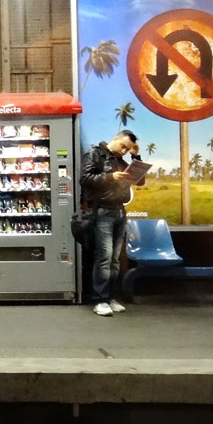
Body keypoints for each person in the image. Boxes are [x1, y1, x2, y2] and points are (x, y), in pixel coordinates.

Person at [79, 129, 144, 317]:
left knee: (115, 260)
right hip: (102, 211)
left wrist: (136, 157)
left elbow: (139, 181)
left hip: (119, 211)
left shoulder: (122, 161)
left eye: (127, 149)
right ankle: (99, 300)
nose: (124, 151)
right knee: (104, 257)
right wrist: (110, 177)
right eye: (123, 146)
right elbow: (84, 179)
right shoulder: (94, 154)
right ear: (115, 138)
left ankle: (110, 297)